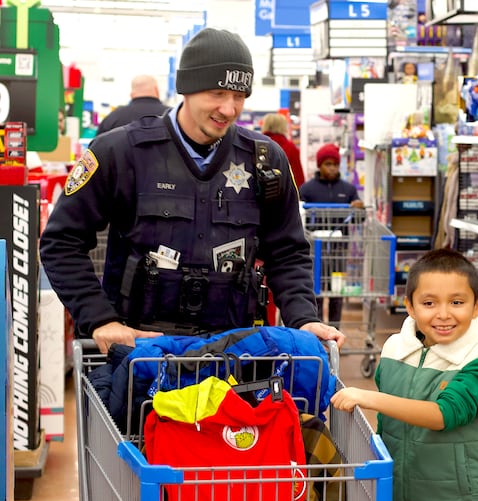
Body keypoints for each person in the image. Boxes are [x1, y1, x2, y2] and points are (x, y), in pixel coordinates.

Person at [39, 28, 344, 354]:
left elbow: (287, 252)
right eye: (217, 93)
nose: (229, 109)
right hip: (140, 362)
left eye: (239, 96)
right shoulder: (121, 152)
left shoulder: (265, 162)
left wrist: (302, 318)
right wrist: (100, 319)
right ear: (186, 88)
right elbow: (61, 242)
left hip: (234, 361)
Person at [331, 248, 478, 501]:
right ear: (410, 306)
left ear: (477, 305)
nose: (443, 314)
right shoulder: (395, 348)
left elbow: (443, 414)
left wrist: (367, 397)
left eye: (457, 302)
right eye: (429, 303)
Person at [298, 143, 363, 326]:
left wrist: (359, 209)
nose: (332, 168)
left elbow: (360, 219)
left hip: (338, 251)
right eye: (328, 164)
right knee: (315, 293)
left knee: (336, 292)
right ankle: (318, 331)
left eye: (335, 164)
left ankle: (335, 330)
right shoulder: (307, 189)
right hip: (313, 252)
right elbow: (299, 217)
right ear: (319, 165)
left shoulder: (348, 190)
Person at [95, 74, 169, 136]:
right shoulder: (171, 116)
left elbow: (97, 148)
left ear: (132, 93)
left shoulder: (113, 118)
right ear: (156, 90)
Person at [261, 113, 305, 188]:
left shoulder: (258, 144)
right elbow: (298, 175)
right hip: (284, 191)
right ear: (283, 127)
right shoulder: (290, 147)